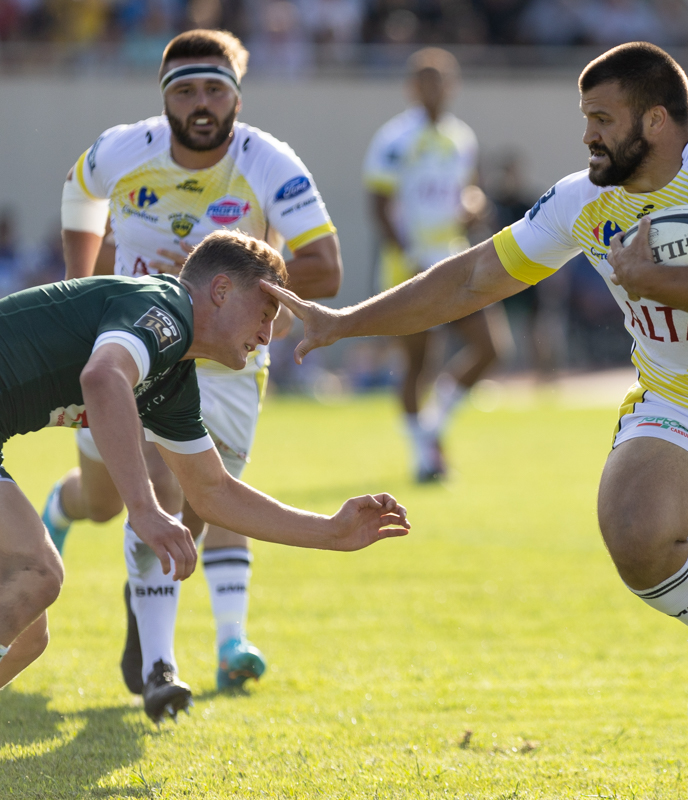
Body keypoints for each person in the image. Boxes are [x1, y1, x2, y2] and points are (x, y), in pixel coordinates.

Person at [271, 42, 688, 800]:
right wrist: (347, 322)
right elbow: (476, 274)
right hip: (679, 408)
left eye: (602, 120)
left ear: (658, 121)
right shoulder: (583, 200)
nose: (588, 137)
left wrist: (650, 278)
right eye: (586, 120)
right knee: (632, 526)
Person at [45, 29, 345, 707]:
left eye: (215, 89)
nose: (201, 103)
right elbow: (77, 188)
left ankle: (158, 668)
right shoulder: (126, 148)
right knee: (106, 499)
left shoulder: (268, 161)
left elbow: (326, 267)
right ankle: (62, 509)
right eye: (186, 90)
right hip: (132, 339)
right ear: (165, 99)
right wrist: (75, 284)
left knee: (190, 496)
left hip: (227, 359)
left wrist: (229, 291)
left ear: (235, 96)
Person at [0, 231, 408, 719]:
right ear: (220, 291)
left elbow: (212, 493)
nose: (266, 336)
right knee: (38, 573)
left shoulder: (171, 378)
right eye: (264, 315)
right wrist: (146, 510)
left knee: (28, 635)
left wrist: (331, 531)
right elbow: (103, 378)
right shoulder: (166, 309)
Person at [363, 47, 508, 482]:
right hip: (409, 264)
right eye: (425, 80)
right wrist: (406, 257)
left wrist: (474, 205)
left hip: (454, 256)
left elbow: (471, 191)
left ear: (452, 85)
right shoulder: (394, 139)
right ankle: (424, 457)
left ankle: (432, 429)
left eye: (442, 80)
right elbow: (379, 204)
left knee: (492, 349)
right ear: (412, 87)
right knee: (417, 364)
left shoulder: (461, 137)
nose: (434, 88)